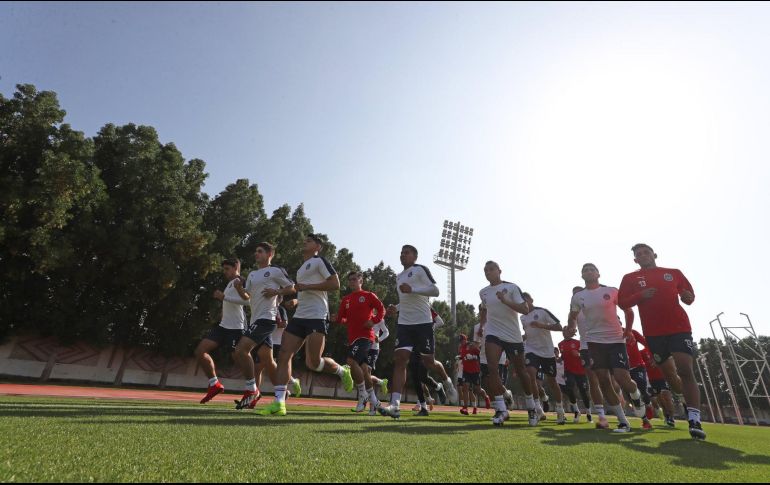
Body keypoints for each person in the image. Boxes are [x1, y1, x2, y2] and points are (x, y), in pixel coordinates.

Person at [258, 235, 353, 417]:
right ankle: (279, 401)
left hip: (317, 315)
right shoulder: (302, 268)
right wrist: (295, 299)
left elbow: (335, 284)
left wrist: (307, 287)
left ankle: (342, 371)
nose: (304, 242)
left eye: (309, 241)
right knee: (284, 354)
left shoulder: (319, 261)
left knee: (313, 362)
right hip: (300, 316)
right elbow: (302, 291)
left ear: (317, 246)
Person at [618, 243, 706, 440]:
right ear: (635, 260)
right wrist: (641, 295)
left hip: (679, 328)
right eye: (638, 254)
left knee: (685, 369)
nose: (643, 255)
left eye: (646, 252)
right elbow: (622, 302)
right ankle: (682, 397)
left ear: (654, 254)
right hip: (654, 333)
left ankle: (694, 419)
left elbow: (689, 297)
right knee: (671, 377)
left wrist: (687, 297)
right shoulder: (630, 278)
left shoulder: (673, 273)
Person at [566, 263, 646, 433]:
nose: (588, 272)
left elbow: (628, 311)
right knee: (603, 380)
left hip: (616, 340)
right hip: (594, 342)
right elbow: (572, 316)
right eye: (585, 270)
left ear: (598, 274)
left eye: (591, 269)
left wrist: (629, 330)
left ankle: (636, 396)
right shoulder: (578, 297)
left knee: (622, 377)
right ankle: (623, 421)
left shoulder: (611, 291)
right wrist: (571, 326)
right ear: (582, 276)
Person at [379, 246, 456, 419]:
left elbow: (435, 291)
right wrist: (395, 308)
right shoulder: (398, 277)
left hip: (423, 323)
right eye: (401, 252)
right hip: (405, 324)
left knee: (429, 362)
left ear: (414, 256)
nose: (402, 255)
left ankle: (446, 381)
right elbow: (406, 301)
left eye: (406, 252)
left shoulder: (420, 269)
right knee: (400, 360)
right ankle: (395, 405)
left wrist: (413, 289)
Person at [230, 243, 295, 410]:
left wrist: (277, 292)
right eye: (256, 251)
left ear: (270, 254)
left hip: (267, 319)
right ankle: (283, 392)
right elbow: (248, 296)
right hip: (255, 320)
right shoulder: (252, 274)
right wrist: (239, 288)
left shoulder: (275, 271)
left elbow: (291, 287)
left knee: (240, 350)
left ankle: (252, 389)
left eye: (260, 251)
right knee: (267, 359)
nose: (256, 254)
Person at [478, 261, 538, 426]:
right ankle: (501, 409)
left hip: (512, 336)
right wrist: (482, 326)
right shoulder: (483, 292)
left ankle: (531, 407)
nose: (488, 272)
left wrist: (505, 300)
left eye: (491, 269)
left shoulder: (511, 288)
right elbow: (485, 309)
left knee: (521, 371)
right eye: (485, 270)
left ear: (499, 271)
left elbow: (525, 309)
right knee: (491, 368)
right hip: (493, 334)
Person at [195, 258, 247, 404]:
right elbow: (231, 303)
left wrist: (224, 297)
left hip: (236, 327)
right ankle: (214, 384)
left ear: (236, 267)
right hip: (223, 326)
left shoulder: (241, 281)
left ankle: (253, 388)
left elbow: (248, 301)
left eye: (227, 269)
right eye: (224, 269)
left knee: (240, 360)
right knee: (200, 351)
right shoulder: (230, 283)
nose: (225, 272)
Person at [334, 271, 386, 413]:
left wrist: (373, 321)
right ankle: (374, 401)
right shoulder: (346, 299)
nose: (352, 282)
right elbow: (342, 319)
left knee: (350, 361)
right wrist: (336, 318)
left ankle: (362, 395)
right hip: (352, 338)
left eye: (354, 279)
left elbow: (382, 309)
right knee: (363, 370)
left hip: (366, 337)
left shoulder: (368, 296)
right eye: (350, 280)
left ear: (361, 281)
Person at [520, 293, 566, 424]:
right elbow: (527, 333)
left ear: (531, 300)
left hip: (547, 351)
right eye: (520, 301)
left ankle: (560, 410)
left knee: (552, 381)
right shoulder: (522, 317)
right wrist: (522, 338)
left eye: (524, 300)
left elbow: (559, 326)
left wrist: (542, 325)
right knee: (530, 376)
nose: (523, 303)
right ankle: (537, 409)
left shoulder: (542, 311)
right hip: (531, 350)